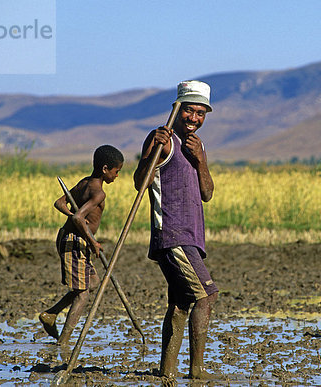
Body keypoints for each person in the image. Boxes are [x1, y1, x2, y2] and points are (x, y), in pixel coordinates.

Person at [133, 80, 219, 380]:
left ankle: (166, 370)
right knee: (206, 295)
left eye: (200, 113)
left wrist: (201, 160)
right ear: (178, 109)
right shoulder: (163, 140)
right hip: (172, 233)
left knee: (181, 302)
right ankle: (197, 371)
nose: (194, 119)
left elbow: (207, 192)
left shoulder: (198, 147)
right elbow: (140, 183)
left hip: (192, 237)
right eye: (189, 111)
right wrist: (152, 151)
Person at [39, 145, 124, 345]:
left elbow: (60, 204)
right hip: (74, 241)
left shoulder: (84, 183)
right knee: (83, 294)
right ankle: (64, 342)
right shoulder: (98, 192)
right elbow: (78, 217)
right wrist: (92, 240)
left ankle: (51, 314)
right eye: (116, 171)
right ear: (105, 169)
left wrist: (75, 219)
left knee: (92, 282)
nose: (117, 176)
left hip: (72, 238)